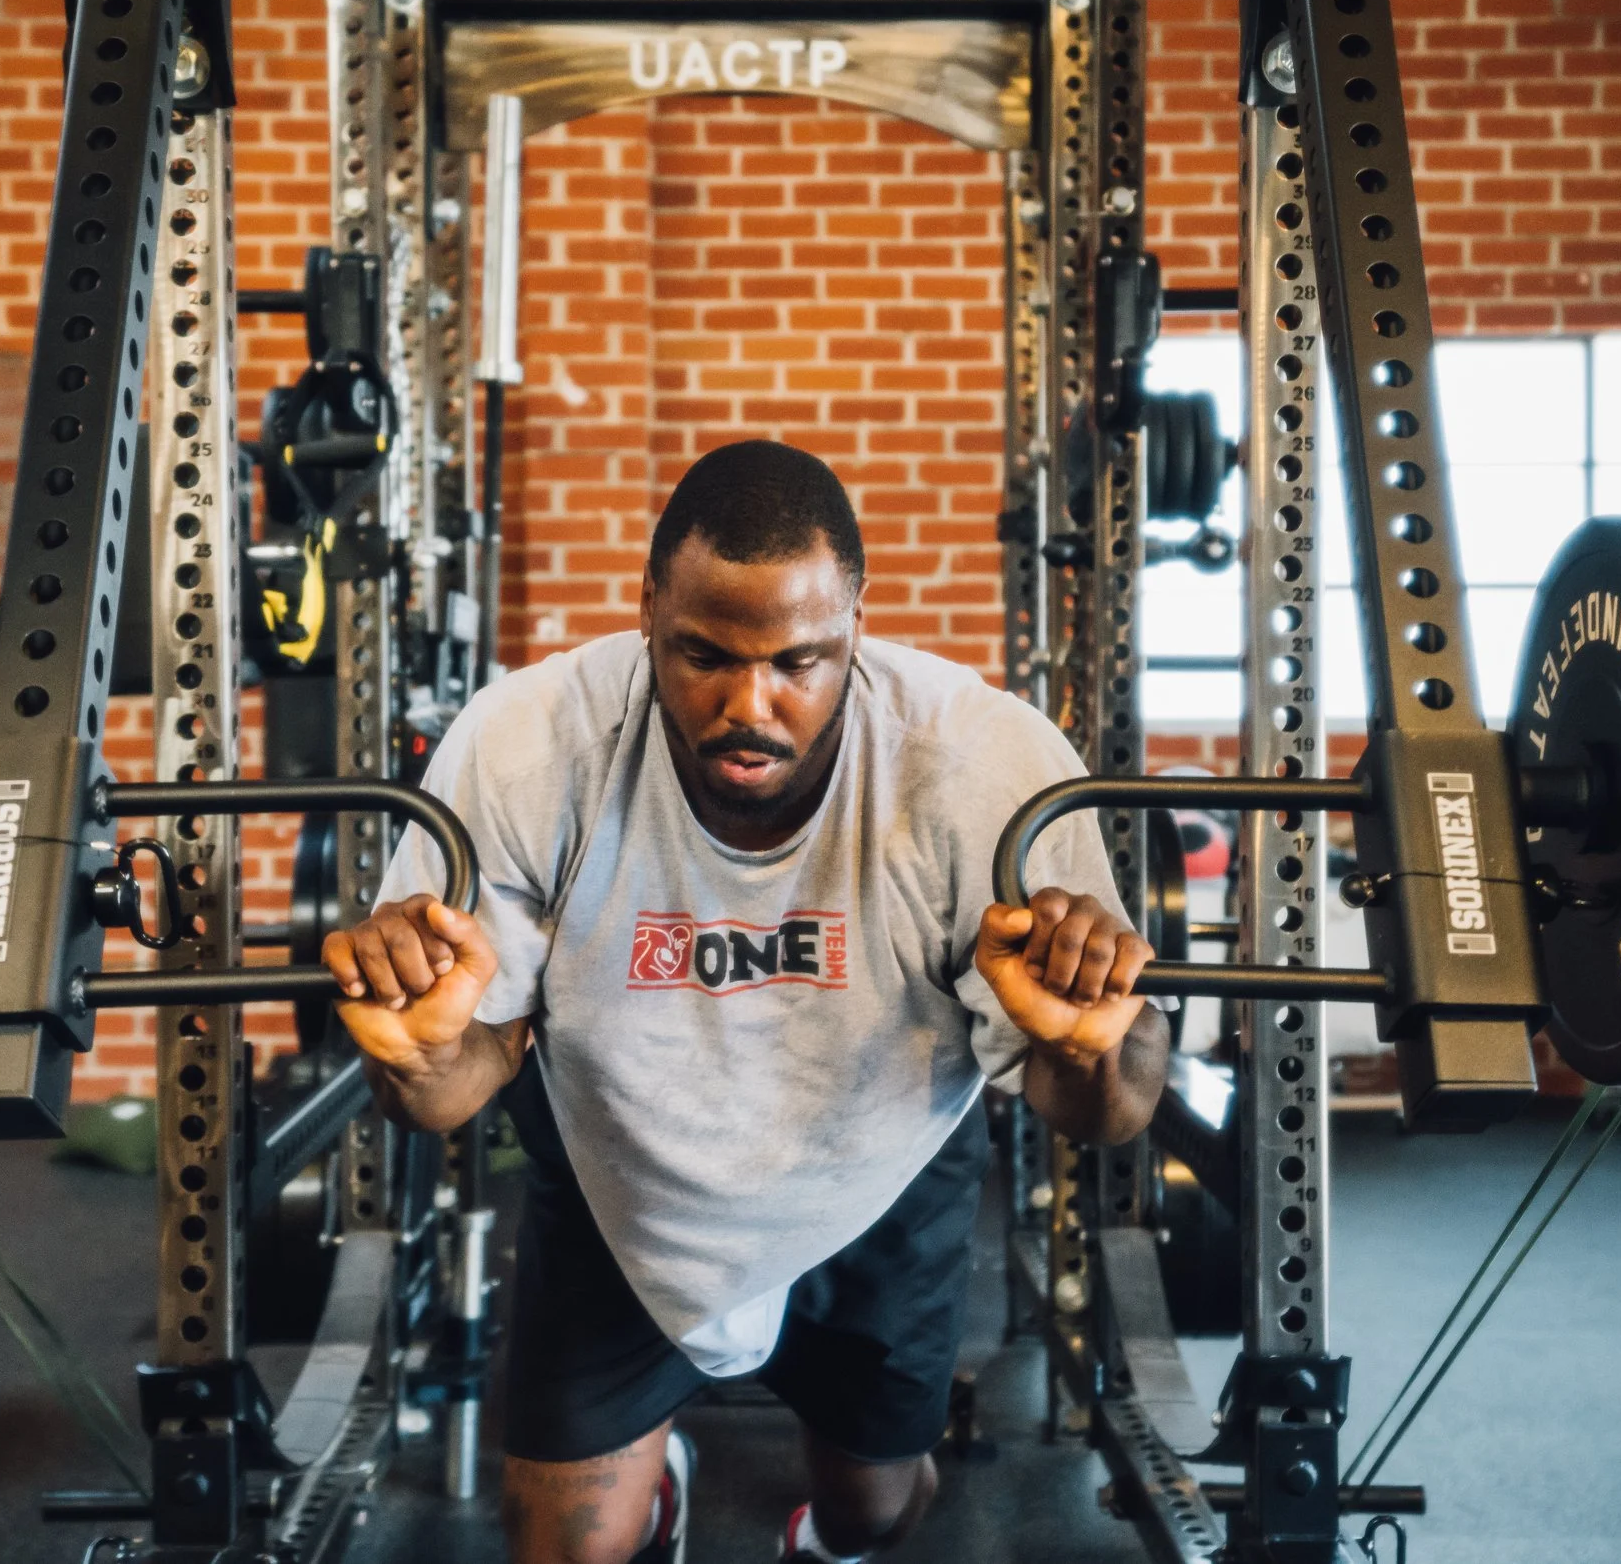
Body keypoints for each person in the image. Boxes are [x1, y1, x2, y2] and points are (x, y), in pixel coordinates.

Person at [324, 440, 1170, 1564]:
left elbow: (1105, 1111)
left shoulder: (979, 766)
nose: (749, 706)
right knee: (564, 1549)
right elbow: (448, 1079)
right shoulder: (528, 746)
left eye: (799, 662)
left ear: (857, 624)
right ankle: (657, 1491)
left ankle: (823, 1537)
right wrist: (422, 1058)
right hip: (621, 1173)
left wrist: (1089, 1051)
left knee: (875, 1507)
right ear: (646, 612)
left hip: (878, 1179)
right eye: (703, 655)